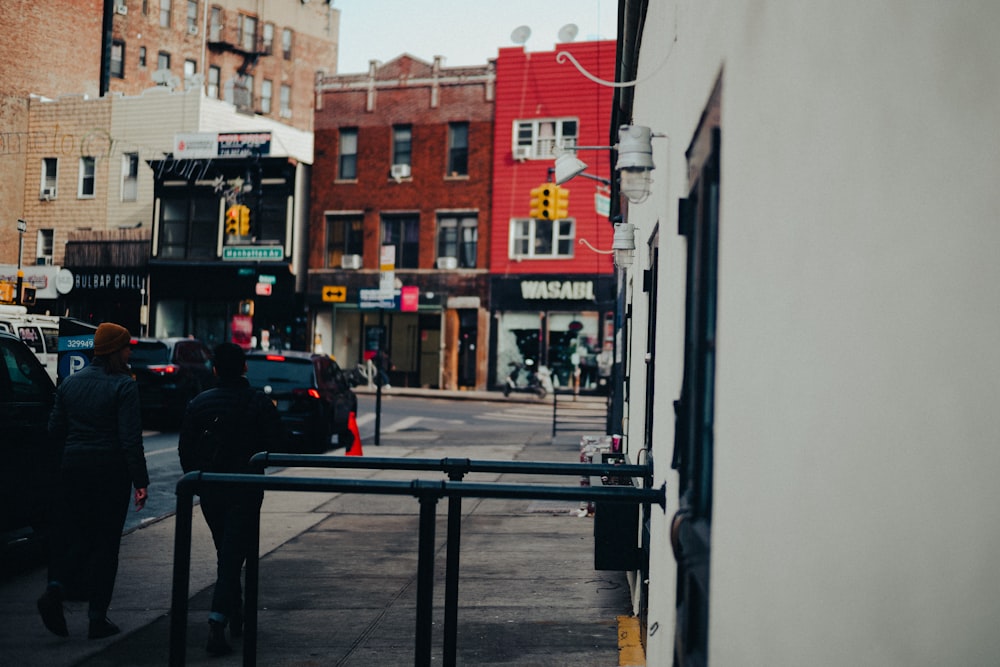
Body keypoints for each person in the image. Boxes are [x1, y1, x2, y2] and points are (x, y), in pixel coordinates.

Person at [37, 322, 149, 640]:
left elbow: (54, 430)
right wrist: (140, 481)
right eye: (127, 346)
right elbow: (130, 439)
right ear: (115, 350)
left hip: (73, 469)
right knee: (105, 545)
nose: (130, 351)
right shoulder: (124, 386)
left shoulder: (70, 384)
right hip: (109, 473)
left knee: (74, 537)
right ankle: (97, 618)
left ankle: (55, 590)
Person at [177, 342, 284, 656]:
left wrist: (199, 482)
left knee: (227, 550)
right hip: (246, 489)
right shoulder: (258, 402)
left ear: (214, 369)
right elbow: (279, 443)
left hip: (211, 489)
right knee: (233, 555)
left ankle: (234, 612)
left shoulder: (199, 403)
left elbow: (186, 452)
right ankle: (217, 621)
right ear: (245, 368)